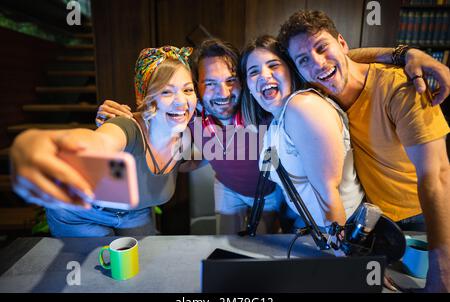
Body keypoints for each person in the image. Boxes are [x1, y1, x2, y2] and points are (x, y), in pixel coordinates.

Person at [277, 9, 450, 292]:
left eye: (322, 47)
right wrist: (403, 52)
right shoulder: (316, 88)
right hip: (374, 221)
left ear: (342, 44)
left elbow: (438, 176)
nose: (318, 63)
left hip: (423, 218)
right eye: (304, 59)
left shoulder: (400, 88)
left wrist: (442, 266)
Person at [97, 39, 286, 235]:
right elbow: (154, 113)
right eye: (210, 83)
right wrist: (115, 117)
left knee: (266, 245)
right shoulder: (191, 113)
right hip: (227, 187)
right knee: (229, 245)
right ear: (197, 87)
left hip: (266, 190)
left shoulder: (260, 108)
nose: (223, 93)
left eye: (230, 80)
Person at [10, 46, 198, 237]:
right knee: (104, 265)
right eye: (166, 92)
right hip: (81, 213)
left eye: (188, 89)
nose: (181, 101)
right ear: (144, 98)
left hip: (134, 214)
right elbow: (99, 142)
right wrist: (41, 144)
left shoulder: (185, 136)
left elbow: (199, 159)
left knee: (146, 261)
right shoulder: (127, 127)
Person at [240, 35, 364, 228]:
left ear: (291, 70)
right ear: (248, 86)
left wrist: (340, 254)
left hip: (342, 231)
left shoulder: (303, 107)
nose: (264, 75)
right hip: (312, 229)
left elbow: (328, 194)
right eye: (254, 72)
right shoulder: (275, 122)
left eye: (273, 66)